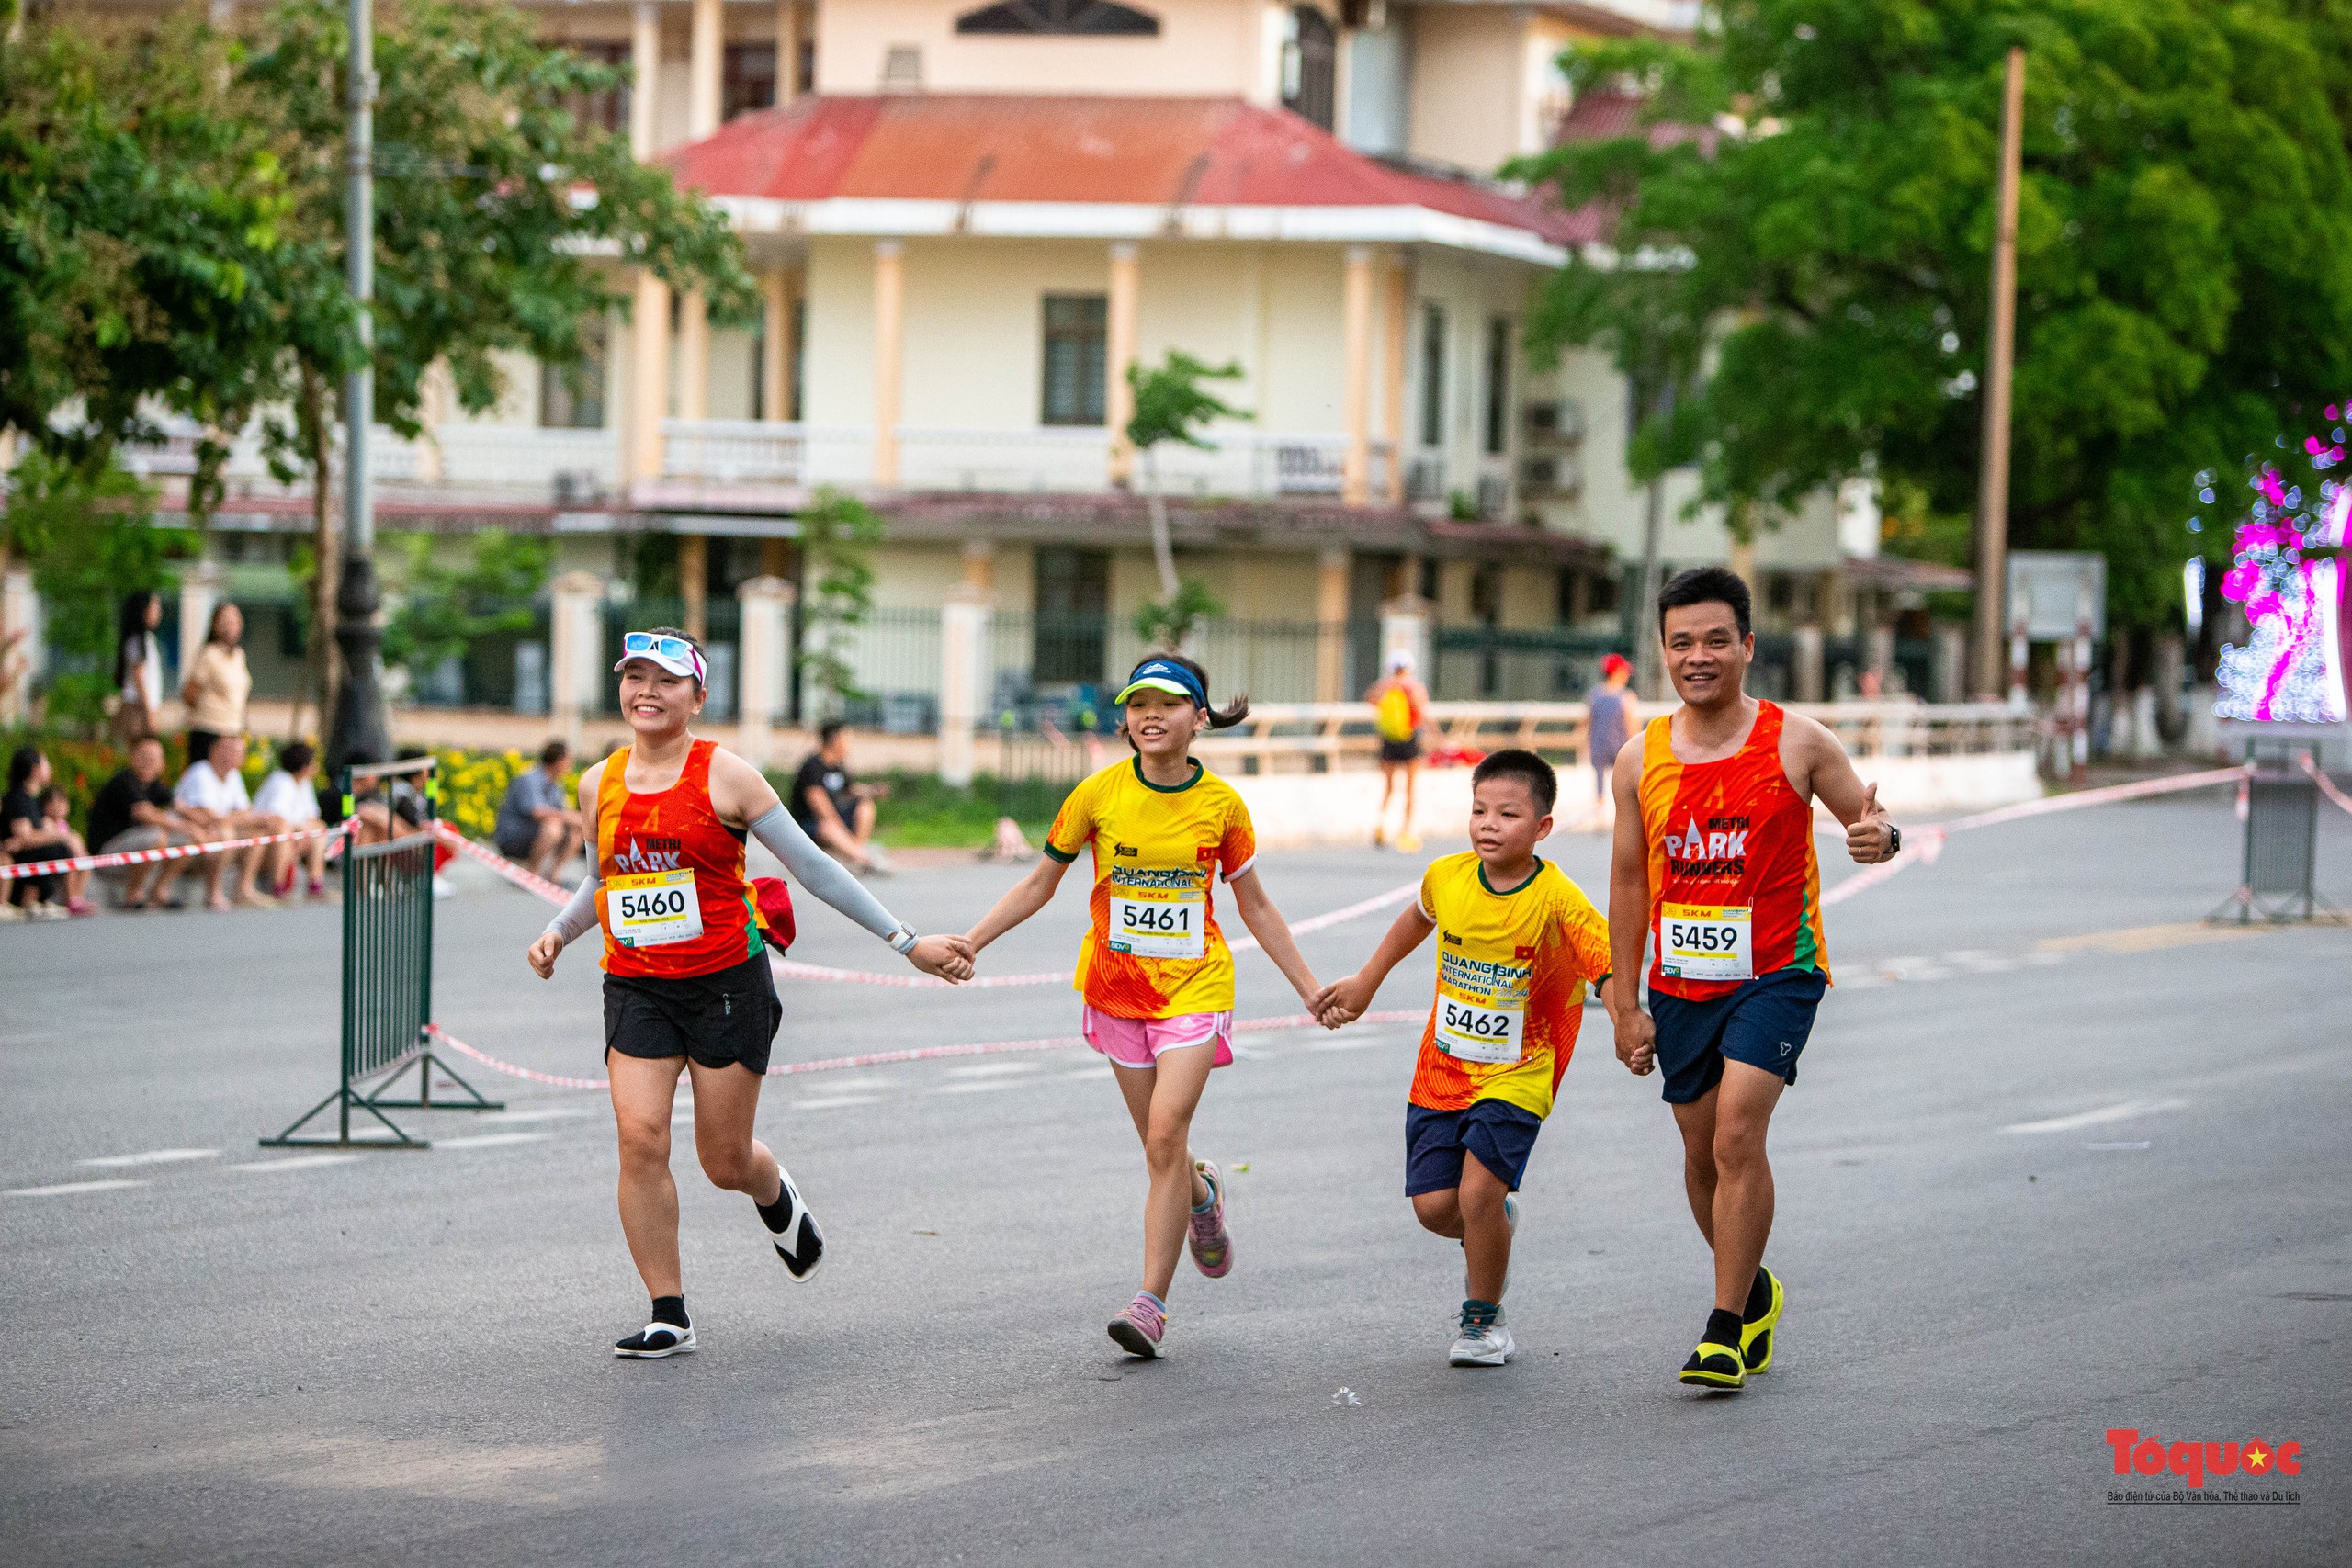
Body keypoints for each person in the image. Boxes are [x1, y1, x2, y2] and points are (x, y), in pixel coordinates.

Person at [525, 627, 973, 1360]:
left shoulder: (727, 776)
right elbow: (604, 879)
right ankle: (668, 1310)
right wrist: (557, 932)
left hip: (727, 983)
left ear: (697, 697)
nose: (647, 691)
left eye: (666, 680)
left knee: (723, 1158)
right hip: (637, 982)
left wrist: (907, 941)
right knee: (638, 1138)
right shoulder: (595, 782)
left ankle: (772, 1192)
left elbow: (814, 867)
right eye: (635, 676)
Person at [962, 654, 1326, 1360]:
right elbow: (1040, 884)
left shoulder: (1222, 806)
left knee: (1164, 1136)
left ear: (1199, 716)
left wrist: (1309, 987)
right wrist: (973, 941)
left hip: (1196, 987)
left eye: (1168, 702)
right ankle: (1202, 1196)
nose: (1150, 715)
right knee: (1163, 1150)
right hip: (1116, 991)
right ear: (1125, 718)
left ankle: (1150, 1304)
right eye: (1137, 703)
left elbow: (1255, 904)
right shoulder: (1096, 794)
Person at [1608, 566, 1899, 1393]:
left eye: (1715, 640)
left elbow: (1868, 820)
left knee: (1738, 1132)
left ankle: (1723, 1328)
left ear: (1747, 645)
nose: (1699, 656)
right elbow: (1628, 884)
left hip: (1778, 970)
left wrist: (1878, 835)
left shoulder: (1797, 740)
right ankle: (1755, 1286)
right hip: (1682, 978)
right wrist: (1623, 1002)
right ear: (1663, 651)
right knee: (1700, 1153)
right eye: (1681, 642)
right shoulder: (1640, 760)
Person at [1312, 750, 1625, 1366]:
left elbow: (1605, 962)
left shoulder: (1556, 896)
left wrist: (1625, 1020)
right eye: (1479, 809)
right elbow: (1415, 919)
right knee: (1437, 1208)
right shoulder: (1447, 877)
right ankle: (1495, 1226)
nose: (1488, 823)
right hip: (1443, 1070)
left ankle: (1483, 1320)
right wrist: (1366, 981)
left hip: (1519, 1070)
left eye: (1507, 813)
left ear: (1541, 827)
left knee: (1477, 1193)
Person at [173, 733, 282, 910]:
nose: (230, 756)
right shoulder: (201, 771)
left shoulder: (233, 776)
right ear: (213, 751)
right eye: (227, 750)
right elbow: (208, 816)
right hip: (191, 835)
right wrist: (240, 819)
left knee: (255, 833)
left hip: (214, 832)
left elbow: (245, 810)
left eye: (237, 752)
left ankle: (244, 889)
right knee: (225, 833)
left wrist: (239, 819)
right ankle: (213, 891)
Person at [88, 736, 198, 910]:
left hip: (131, 851)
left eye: (153, 758)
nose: (148, 762)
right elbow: (145, 814)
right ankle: (133, 894)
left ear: (162, 763)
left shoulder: (155, 785)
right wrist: (189, 827)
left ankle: (159, 890)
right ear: (132, 758)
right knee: (156, 836)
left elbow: (182, 808)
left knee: (187, 840)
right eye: (143, 756)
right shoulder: (125, 782)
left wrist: (206, 825)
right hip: (107, 854)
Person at [788, 722, 890, 874]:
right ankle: (866, 858)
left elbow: (849, 789)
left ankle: (855, 854)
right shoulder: (813, 766)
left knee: (865, 806)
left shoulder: (838, 765)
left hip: (835, 820)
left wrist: (872, 791)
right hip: (811, 824)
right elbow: (818, 802)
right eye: (846, 739)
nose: (849, 744)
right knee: (829, 827)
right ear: (834, 740)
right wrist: (840, 827)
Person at [4, 746, 94, 918]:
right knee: (59, 850)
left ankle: (53, 900)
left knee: (58, 850)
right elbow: (25, 838)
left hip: (26, 861)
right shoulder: (18, 799)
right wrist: (61, 836)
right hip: (15, 862)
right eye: (46, 764)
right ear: (35, 770)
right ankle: (70, 900)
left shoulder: (31, 800)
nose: (50, 768)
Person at [1365, 649, 1431, 852]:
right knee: (1410, 788)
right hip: (1410, 740)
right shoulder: (1415, 688)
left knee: (1388, 787)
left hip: (1389, 741)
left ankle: (1381, 825)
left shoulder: (1384, 686)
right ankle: (1406, 831)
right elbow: (1422, 712)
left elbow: (1370, 699)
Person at [493, 739, 584, 881]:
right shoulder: (530, 778)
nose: (571, 764)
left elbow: (562, 809)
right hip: (513, 836)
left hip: (533, 832)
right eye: (568, 759)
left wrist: (578, 819)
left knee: (577, 829)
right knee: (553, 827)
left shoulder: (555, 783)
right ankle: (532, 874)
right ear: (558, 761)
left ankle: (552, 874)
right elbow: (536, 811)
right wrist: (569, 816)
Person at [253, 740, 329, 899]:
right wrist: (302, 830)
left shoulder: (304, 783)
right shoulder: (281, 781)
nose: (316, 767)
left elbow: (312, 817)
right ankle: (278, 885)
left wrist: (305, 832)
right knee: (284, 832)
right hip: (268, 837)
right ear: (304, 768)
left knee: (319, 831)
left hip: (294, 836)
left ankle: (315, 884)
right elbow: (278, 818)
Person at [181, 601, 252, 770]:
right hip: (209, 731)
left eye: (235, 621)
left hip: (233, 731)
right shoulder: (208, 654)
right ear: (215, 625)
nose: (231, 626)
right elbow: (189, 694)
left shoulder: (239, 656)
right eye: (225, 621)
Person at [1585, 653, 1639, 822]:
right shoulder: (1627, 696)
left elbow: (1588, 721)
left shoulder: (1594, 694)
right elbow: (1632, 724)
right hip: (1621, 746)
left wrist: (1586, 743)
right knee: (1625, 781)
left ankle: (1600, 814)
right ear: (1617, 673)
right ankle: (1624, 815)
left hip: (1599, 744)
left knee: (1599, 779)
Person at [113, 591, 165, 744]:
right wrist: (148, 713)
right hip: (138, 708)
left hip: (145, 707)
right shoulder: (136, 641)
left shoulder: (148, 639)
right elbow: (139, 678)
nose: (158, 612)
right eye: (155, 607)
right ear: (143, 611)